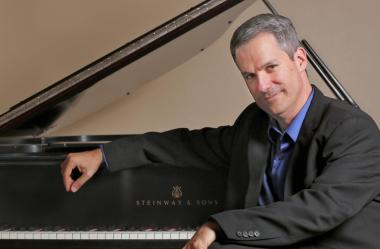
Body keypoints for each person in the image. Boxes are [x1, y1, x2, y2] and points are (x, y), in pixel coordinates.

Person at [61, 14, 380, 249]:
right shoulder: (255, 123)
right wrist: (103, 154)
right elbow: (186, 144)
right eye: (249, 76)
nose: (262, 86)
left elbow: (317, 209)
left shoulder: (353, 130)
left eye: (271, 68)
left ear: (299, 59)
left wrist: (218, 225)